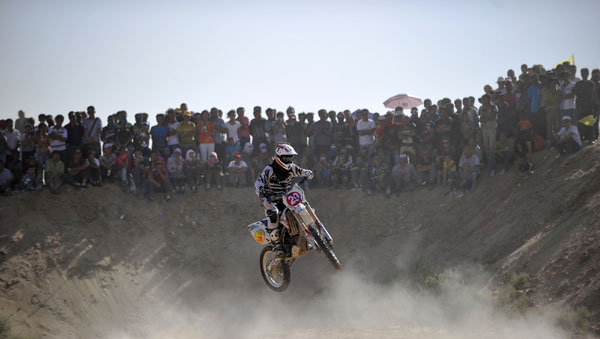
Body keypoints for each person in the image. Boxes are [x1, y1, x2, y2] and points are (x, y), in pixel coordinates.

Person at [254, 144, 313, 255]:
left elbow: (301, 171)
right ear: (279, 157)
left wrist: (308, 173)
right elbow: (258, 183)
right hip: (271, 199)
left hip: (286, 197)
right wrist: (263, 199)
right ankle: (277, 246)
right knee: (273, 214)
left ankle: (310, 235)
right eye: (286, 157)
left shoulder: (292, 167)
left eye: (290, 157)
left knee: (301, 207)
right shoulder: (270, 169)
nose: (288, 160)